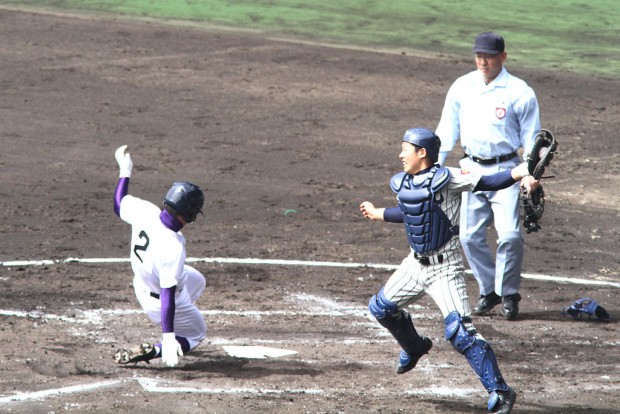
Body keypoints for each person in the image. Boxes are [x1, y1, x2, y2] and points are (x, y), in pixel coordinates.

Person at [361, 128, 537, 413]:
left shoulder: (450, 177)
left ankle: (500, 392)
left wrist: (519, 172)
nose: (401, 154)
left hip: (445, 267)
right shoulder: (406, 181)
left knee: (461, 333)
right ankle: (415, 346)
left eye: (406, 148)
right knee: (382, 309)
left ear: (422, 152)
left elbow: (490, 181)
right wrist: (378, 212)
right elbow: (410, 213)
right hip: (414, 264)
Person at [435, 31, 541, 320]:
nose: (483, 61)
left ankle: (508, 293)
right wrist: (434, 164)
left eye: (489, 57)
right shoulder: (462, 86)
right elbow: (447, 129)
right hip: (470, 169)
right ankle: (489, 291)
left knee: (510, 235)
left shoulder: (520, 92)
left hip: (508, 170)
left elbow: (533, 140)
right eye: (479, 56)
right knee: (469, 237)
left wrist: (531, 174)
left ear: (503, 57)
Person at [112, 145, 207, 367]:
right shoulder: (172, 247)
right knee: (197, 334)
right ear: (190, 215)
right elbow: (167, 295)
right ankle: (155, 350)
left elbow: (118, 204)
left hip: (142, 282)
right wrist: (168, 336)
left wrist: (125, 169)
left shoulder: (145, 210)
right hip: (159, 300)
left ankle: (176, 324)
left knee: (197, 281)